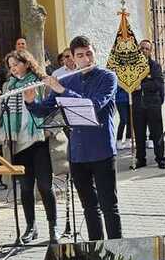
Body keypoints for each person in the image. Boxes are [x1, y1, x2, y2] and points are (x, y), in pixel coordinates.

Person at [27, 35, 121, 241]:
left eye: (89, 54)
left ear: (94, 53)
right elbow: (44, 110)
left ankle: (117, 250)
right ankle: (97, 250)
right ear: (72, 58)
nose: (86, 59)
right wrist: (31, 102)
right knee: (89, 207)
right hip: (77, 153)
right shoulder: (68, 79)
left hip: (102, 150)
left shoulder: (108, 77)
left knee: (109, 206)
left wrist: (62, 90)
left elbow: (94, 105)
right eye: (81, 55)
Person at [0, 49, 57, 243]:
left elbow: (52, 108)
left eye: (16, 64)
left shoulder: (41, 81)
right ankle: (31, 227)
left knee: (44, 186)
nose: (13, 69)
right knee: (25, 188)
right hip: (19, 142)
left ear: (26, 63)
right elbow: (1, 110)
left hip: (39, 140)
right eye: (10, 66)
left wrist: (50, 130)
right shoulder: (9, 86)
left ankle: (53, 227)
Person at [131, 39, 165, 169]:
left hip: (153, 105)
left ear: (150, 51)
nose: (144, 51)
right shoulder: (132, 67)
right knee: (139, 133)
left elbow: (157, 83)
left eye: (147, 49)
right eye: (142, 48)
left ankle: (160, 159)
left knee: (157, 133)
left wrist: (142, 86)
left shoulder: (155, 66)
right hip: (137, 104)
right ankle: (140, 159)